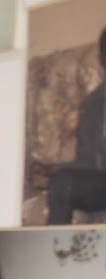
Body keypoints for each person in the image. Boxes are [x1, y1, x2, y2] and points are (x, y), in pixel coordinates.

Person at [47, 27, 106, 225]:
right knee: (61, 183)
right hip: (101, 182)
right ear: (102, 60)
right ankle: (50, 253)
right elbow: (87, 160)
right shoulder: (92, 103)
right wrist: (53, 171)